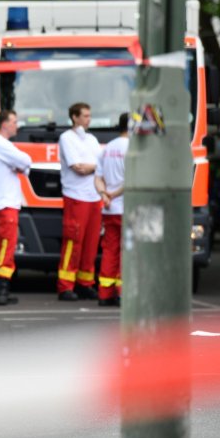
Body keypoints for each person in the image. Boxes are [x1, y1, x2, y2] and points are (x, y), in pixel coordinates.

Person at [56, 102, 102, 301]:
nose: (88, 119)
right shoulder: (66, 138)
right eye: (84, 116)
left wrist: (93, 166)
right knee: (73, 241)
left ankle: (85, 282)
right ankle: (65, 285)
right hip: (76, 196)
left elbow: (97, 165)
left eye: (89, 116)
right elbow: (79, 168)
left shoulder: (91, 139)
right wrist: (95, 166)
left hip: (94, 196)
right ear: (74, 117)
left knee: (91, 243)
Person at [0, 110, 32, 306]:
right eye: (14, 121)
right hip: (6, 204)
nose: (17, 125)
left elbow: (22, 164)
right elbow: (26, 161)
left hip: (2, 203)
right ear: (4, 124)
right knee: (6, 246)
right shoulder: (1, 144)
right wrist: (20, 165)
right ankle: (1, 290)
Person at [95, 113, 129, 307]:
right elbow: (132, 179)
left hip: (109, 210)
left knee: (109, 250)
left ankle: (105, 294)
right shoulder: (133, 148)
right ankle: (123, 293)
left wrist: (104, 195)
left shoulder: (107, 148)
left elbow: (97, 177)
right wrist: (114, 195)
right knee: (128, 252)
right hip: (127, 207)